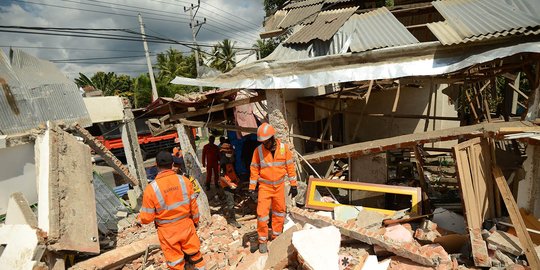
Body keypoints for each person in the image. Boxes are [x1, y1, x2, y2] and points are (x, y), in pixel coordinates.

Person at [138, 151, 205, 270]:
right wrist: (195, 221)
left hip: (167, 232)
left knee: (175, 262)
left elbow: (147, 218)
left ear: (156, 164)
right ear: (172, 163)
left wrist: (140, 220)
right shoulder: (184, 181)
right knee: (195, 254)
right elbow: (193, 206)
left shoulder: (151, 189)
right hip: (186, 225)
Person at [249, 123, 298, 254]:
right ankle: (262, 240)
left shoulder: (284, 149)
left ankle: (276, 236)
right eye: (262, 142)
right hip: (264, 186)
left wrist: (294, 185)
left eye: (266, 141)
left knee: (279, 211)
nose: (264, 144)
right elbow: (254, 169)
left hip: (279, 186)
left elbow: (290, 167)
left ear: (272, 138)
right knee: (262, 214)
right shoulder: (258, 151)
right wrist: (252, 188)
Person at [218, 143, 242, 228]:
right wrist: (229, 184)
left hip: (232, 183)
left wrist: (236, 178)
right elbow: (221, 176)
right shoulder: (222, 162)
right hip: (227, 185)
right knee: (230, 203)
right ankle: (232, 220)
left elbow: (231, 171)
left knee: (233, 201)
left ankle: (233, 215)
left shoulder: (229, 160)